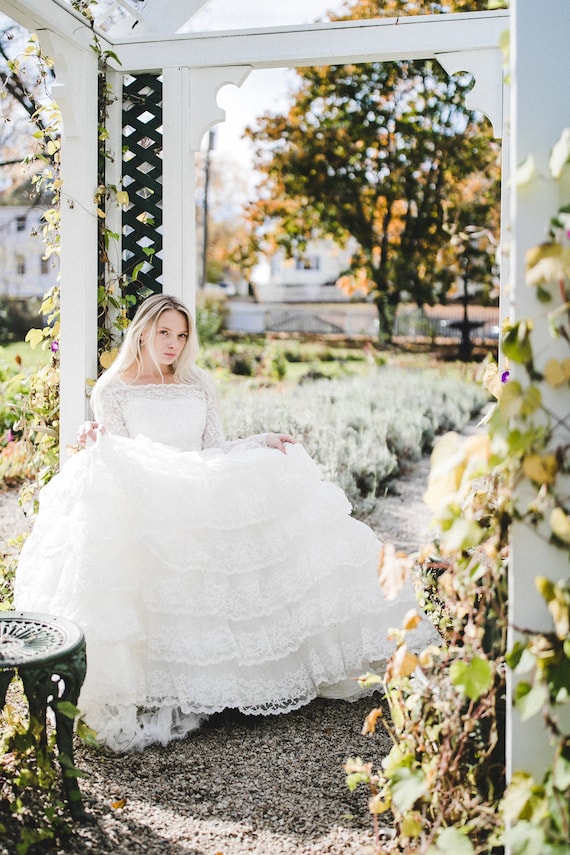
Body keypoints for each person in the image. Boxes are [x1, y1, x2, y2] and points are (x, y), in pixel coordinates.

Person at [15, 293, 437, 753]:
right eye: (164, 333)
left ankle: (248, 681)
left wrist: (259, 441)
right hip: (153, 495)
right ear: (143, 331)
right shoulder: (112, 391)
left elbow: (214, 448)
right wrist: (96, 441)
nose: (173, 344)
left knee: (276, 472)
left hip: (200, 480)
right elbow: (121, 460)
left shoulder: (198, 385)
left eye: (181, 335)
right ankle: (178, 684)